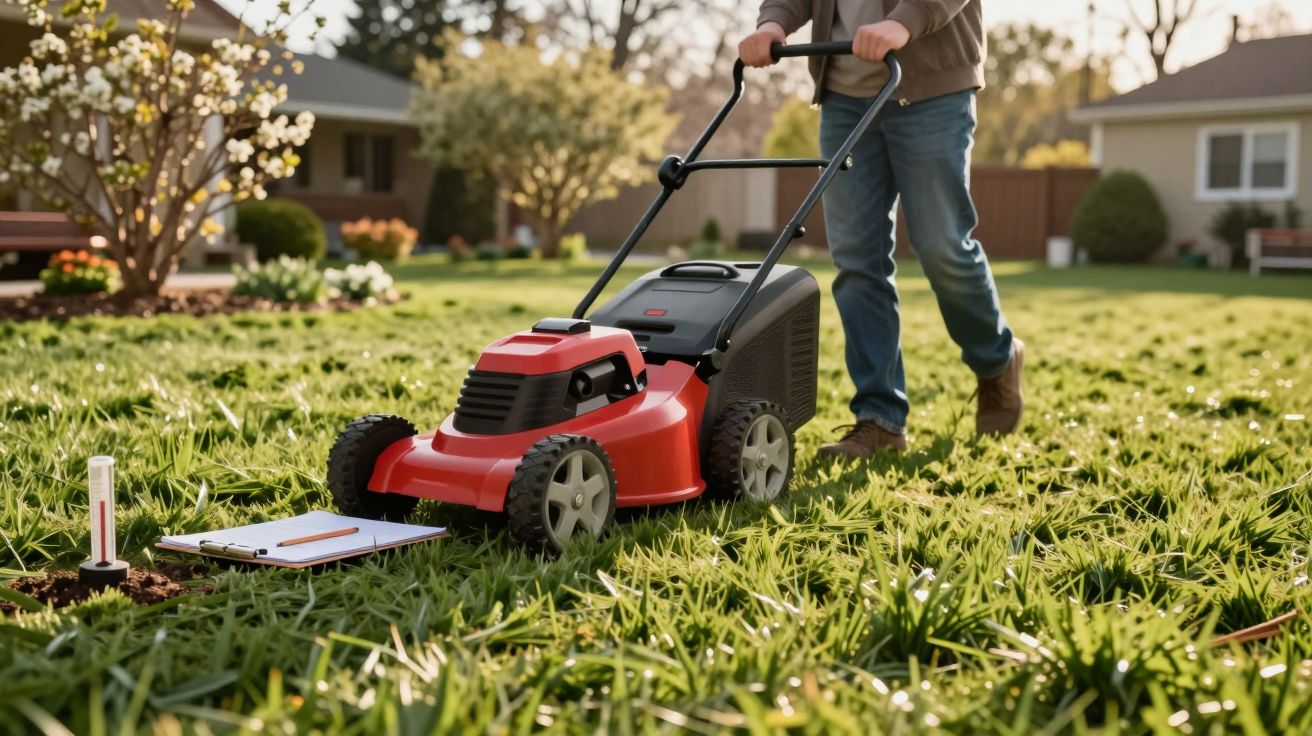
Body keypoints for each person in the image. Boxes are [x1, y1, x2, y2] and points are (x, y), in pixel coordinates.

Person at [739, 0, 1024, 459]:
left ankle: (996, 359)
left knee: (942, 245)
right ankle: (881, 419)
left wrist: (902, 22)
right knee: (856, 260)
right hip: (844, 97)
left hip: (932, 89)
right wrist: (773, 21)